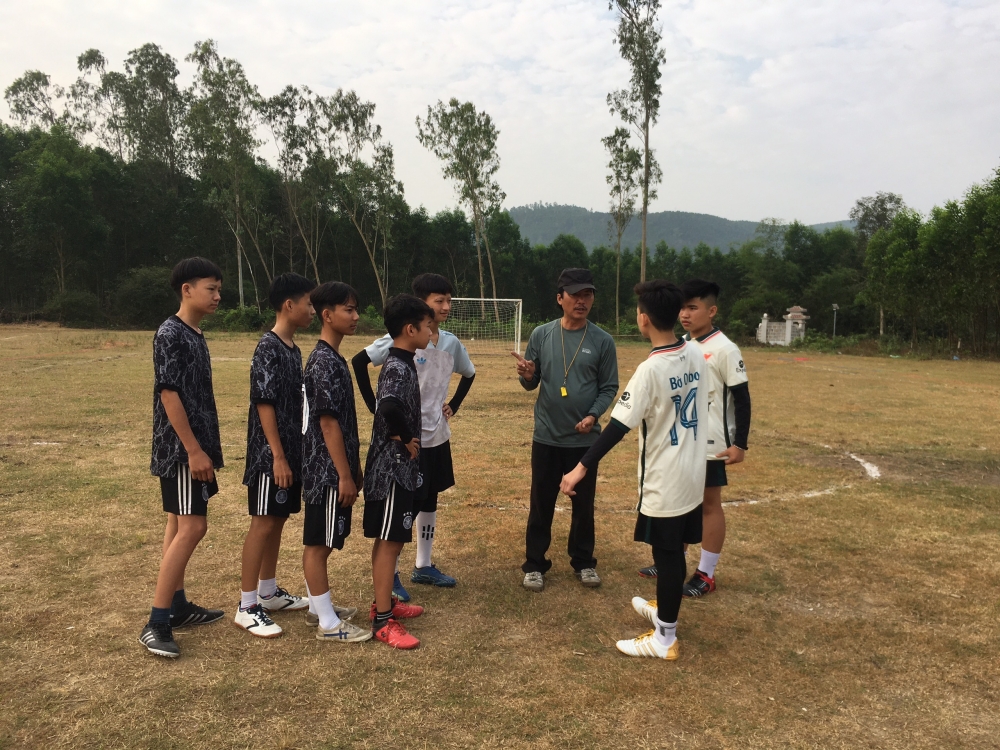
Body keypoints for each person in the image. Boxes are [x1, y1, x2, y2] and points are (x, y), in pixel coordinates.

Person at [561, 280, 708, 660]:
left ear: (643, 319)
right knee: (674, 550)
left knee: (668, 554)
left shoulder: (651, 369)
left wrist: (579, 469)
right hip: (693, 474)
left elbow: (616, 427)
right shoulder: (695, 351)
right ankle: (666, 611)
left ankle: (665, 639)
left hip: (667, 479)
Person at [352, 273, 475, 600]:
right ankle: (390, 575)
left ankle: (423, 564)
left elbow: (470, 373)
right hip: (404, 443)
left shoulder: (450, 342)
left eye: (449, 300)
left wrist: (453, 405)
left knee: (429, 497)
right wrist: (376, 408)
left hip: (435, 436)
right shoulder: (400, 341)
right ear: (421, 305)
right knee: (402, 506)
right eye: (439, 301)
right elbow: (360, 363)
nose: (446, 306)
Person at [636, 281, 752, 589]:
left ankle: (706, 573)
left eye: (693, 308)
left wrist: (739, 443)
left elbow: (742, 398)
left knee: (709, 504)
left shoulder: (725, 349)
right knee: (680, 502)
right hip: (682, 441)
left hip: (711, 444)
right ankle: (672, 559)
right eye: (682, 308)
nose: (685, 315)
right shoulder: (682, 346)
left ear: (711, 311)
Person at [139, 257, 226, 658]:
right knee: (193, 527)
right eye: (211, 289)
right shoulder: (170, 333)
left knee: (177, 523)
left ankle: (176, 606)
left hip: (193, 447)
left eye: (219, 289)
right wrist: (193, 449)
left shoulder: (195, 333)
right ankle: (156, 622)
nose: (218, 296)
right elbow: (168, 393)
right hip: (181, 450)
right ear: (186, 290)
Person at [512, 268, 619, 592]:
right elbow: (531, 381)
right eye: (575, 295)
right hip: (546, 435)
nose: (582, 301)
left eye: (588, 294)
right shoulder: (542, 334)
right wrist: (528, 374)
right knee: (540, 503)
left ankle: (584, 562)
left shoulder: (602, 340)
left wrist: (593, 415)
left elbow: (609, 386)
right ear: (560, 298)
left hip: (584, 440)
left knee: (584, 506)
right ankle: (535, 564)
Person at [234, 273, 315, 639]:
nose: (312, 310)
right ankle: (247, 605)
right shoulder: (268, 346)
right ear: (289, 305)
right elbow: (263, 403)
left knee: (278, 518)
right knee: (263, 522)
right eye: (309, 304)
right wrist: (278, 457)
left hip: (290, 451)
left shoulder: (292, 348)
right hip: (270, 456)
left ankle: (268, 592)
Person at [299, 281, 372, 643]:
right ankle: (328, 624)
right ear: (327, 315)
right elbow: (327, 424)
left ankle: (319, 608)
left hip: (334, 469)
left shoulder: (333, 358)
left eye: (356, 309)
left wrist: (353, 469)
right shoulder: (323, 362)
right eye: (349, 309)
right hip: (325, 471)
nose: (356, 316)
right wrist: (344, 475)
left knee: (326, 539)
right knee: (319, 544)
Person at [363, 294, 432, 648]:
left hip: (399, 469)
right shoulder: (397, 366)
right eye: (428, 326)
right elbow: (388, 406)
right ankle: (383, 620)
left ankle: (384, 603)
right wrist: (405, 437)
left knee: (389, 540)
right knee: (390, 542)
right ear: (410, 329)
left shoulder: (404, 361)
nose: (432, 332)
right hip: (391, 470)